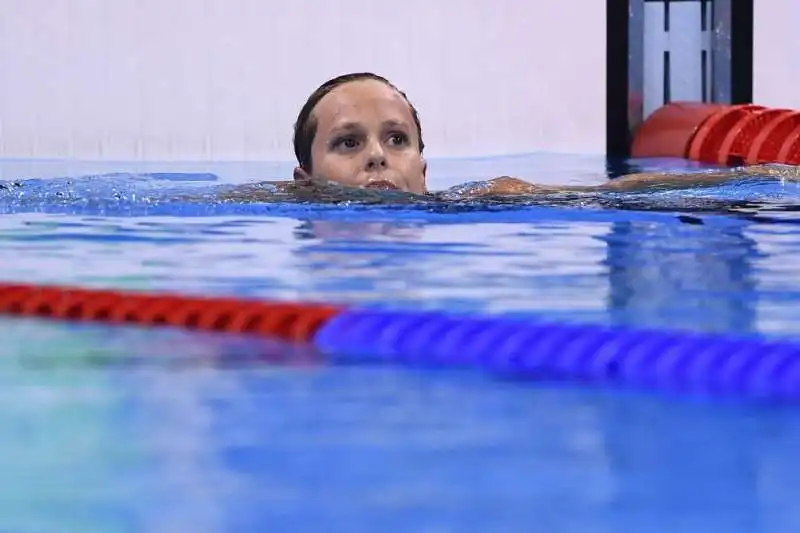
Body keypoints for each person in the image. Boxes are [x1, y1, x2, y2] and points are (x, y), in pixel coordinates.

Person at [231, 72, 800, 202]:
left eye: (397, 140)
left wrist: (765, 172)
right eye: (349, 143)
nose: (378, 155)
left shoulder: (482, 201)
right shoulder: (276, 205)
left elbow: (619, 191)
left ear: (424, 170)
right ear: (303, 181)